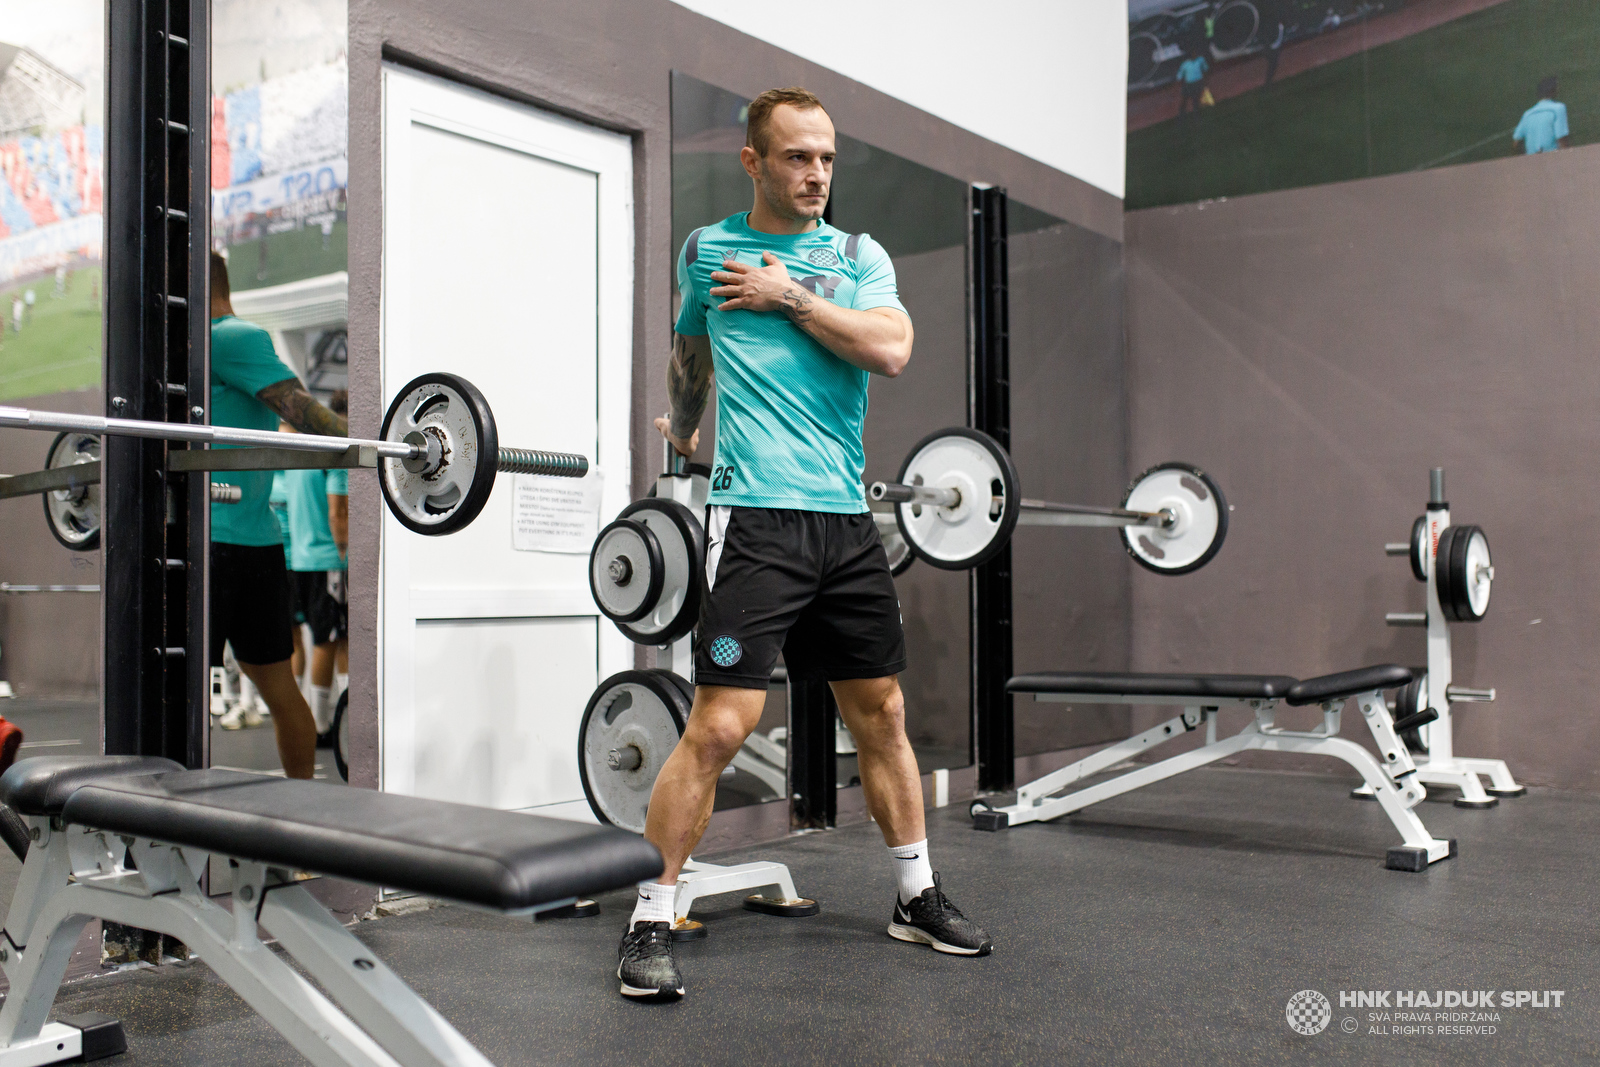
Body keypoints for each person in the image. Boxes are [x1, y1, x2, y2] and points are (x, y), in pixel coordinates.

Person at [617, 86, 992, 1002]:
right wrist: (686, 428)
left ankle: (915, 892)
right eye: (795, 157)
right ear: (753, 161)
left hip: (843, 524)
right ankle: (650, 912)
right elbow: (691, 351)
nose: (816, 173)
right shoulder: (708, 250)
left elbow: (892, 348)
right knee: (719, 726)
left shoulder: (858, 256)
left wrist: (788, 297)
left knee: (885, 716)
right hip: (759, 522)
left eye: (825, 157)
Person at [208, 250, 347, 778]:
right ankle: (304, 843)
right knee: (278, 689)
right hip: (256, 547)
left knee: (188, 698)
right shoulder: (198, 347)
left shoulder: (228, 339)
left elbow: (301, 409)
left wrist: (374, 447)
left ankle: (301, 828)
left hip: (218, 551)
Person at [281, 390, 350, 743]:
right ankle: (321, 727)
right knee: (329, 640)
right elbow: (338, 514)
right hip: (328, 560)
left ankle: (336, 716)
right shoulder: (333, 456)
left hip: (301, 560)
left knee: (333, 641)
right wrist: (348, 553)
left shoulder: (300, 458)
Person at [1513, 77, 1569, 155]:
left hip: (1532, 159)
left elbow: (1516, 142)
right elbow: (1561, 139)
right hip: (1552, 158)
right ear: (1553, 91)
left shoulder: (1528, 114)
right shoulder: (1558, 108)